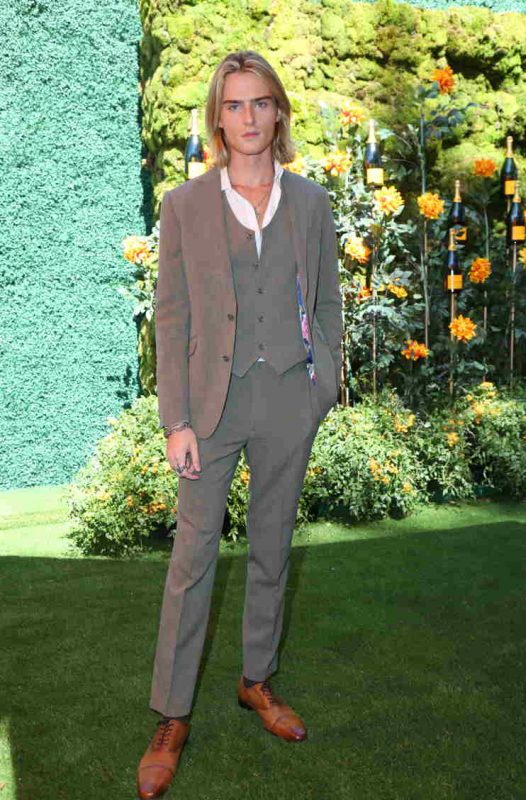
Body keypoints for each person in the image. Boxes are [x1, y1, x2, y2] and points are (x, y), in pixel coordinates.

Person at [136, 49, 343, 799]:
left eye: (260, 103)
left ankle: (256, 680)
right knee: (192, 559)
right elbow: (172, 317)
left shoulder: (311, 203)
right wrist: (177, 420)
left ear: (277, 112)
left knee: (272, 548)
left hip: (288, 397)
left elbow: (327, 302)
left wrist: (323, 385)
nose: (248, 117)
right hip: (211, 408)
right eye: (233, 105)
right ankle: (171, 714)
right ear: (217, 119)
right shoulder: (185, 205)